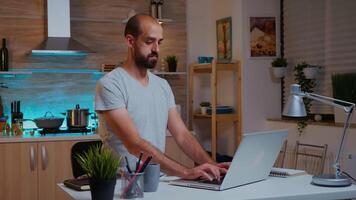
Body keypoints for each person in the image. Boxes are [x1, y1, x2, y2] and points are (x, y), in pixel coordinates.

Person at [95, 14, 227, 181]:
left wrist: (213, 166)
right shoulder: (110, 84)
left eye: (159, 42)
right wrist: (187, 172)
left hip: (155, 180)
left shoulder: (162, 85)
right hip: (121, 183)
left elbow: (182, 135)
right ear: (130, 41)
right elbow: (134, 144)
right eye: (149, 41)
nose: (156, 49)